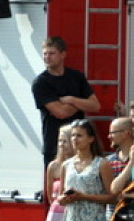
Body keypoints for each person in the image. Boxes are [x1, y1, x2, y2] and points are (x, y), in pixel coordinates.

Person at [31, 36, 99, 167]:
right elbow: (61, 113)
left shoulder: (77, 77)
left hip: (80, 147)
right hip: (55, 146)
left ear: (63, 54)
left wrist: (71, 100)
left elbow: (95, 106)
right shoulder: (40, 83)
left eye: (52, 53)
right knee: (56, 180)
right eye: (45, 53)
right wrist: (81, 103)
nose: (47, 57)